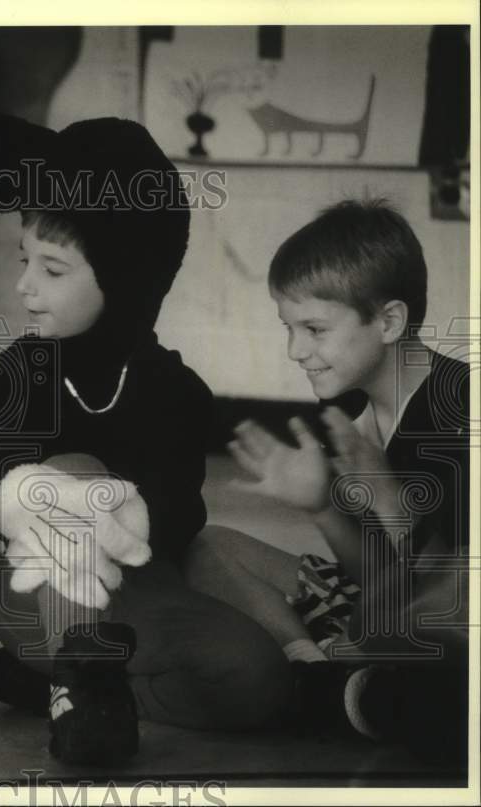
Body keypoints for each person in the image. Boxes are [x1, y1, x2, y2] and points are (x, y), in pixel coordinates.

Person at [0, 116, 291, 765]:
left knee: (258, 679)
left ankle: (63, 684)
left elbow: (181, 514)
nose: (24, 285)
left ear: (125, 275)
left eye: (52, 269)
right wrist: (34, 493)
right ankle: (81, 680)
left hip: (137, 592)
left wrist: (133, 515)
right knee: (72, 469)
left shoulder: (174, 387)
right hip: (36, 592)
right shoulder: (21, 371)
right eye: (26, 261)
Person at [185, 199, 470, 766]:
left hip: (446, 616)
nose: (295, 351)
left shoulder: (457, 408)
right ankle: (313, 672)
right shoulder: (353, 415)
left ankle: (336, 682)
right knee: (208, 547)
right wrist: (319, 507)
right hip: (388, 610)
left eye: (314, 329)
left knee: (396, 620)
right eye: (290, 328)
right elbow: (374, 575)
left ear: (388, 321)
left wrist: (390, 502)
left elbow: (448, 588)